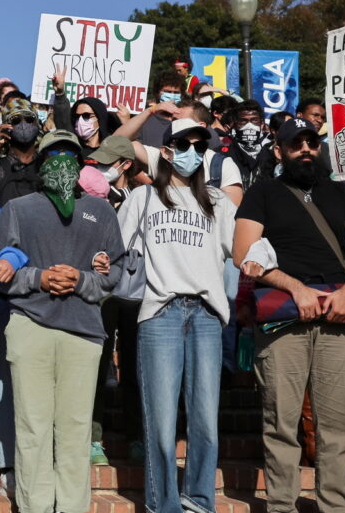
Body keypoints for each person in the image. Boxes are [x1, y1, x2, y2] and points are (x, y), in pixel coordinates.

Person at [232, 118, 345, 513]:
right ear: (278, 150)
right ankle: (282, 506)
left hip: (336, 318)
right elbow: (243, 253)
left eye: (312, 142)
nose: (306, 149)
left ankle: (335, 506)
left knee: (338, 425)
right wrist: (295, 288)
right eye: (296, 144)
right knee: (281, 422)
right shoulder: (262, 193)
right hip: (283, 322)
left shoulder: (342, 194)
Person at [0, 129, 124, 513]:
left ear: (81, 162)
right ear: (41, 160)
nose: (62, 159)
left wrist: (82, 280)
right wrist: (39, 278)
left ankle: (72, 508)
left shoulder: (102, 210)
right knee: (32, 428)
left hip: (84, 331)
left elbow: (116, 271)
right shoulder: (19, 209)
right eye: (54, 153)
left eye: (70, 153)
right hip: (30, 325)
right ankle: (36, 508)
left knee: (76, 431)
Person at [115, 118, 236, 513]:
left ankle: (200, 500)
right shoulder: (142, 199)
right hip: (160, 312)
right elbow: (117, 251)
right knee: (162, 423)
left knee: (205, 420)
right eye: (185, 145)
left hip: (205, 314)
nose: (193, 153)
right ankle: (163, 504)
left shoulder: (217, 201)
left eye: (201, 147)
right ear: (166, 150)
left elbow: (242, 251)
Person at [0, 98, 45, 206]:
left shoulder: (45, 163)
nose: (23, 124)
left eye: (29, 119)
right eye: (15, 120)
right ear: (5, 127)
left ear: (37, 124)